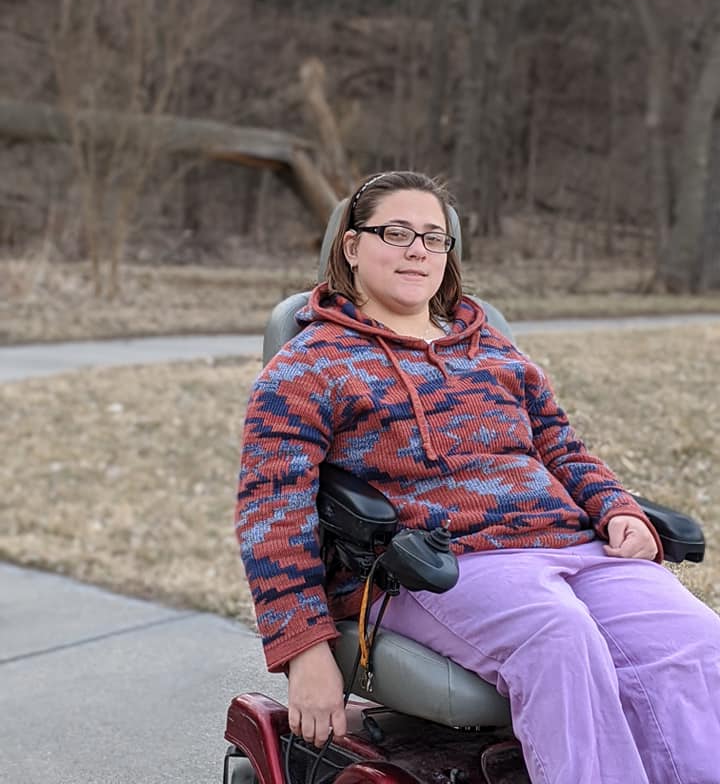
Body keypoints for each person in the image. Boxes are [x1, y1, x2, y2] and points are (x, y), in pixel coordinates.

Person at [236, 170, 720, 784]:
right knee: (559, 639)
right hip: (434, 569)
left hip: (571, 546)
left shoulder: (490, 347)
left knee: (695, 638)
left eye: (433, 238)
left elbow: (560, 445)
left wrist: (616, 507)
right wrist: (304, 654)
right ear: (352, 247)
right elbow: (271, 516)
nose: (417, 249)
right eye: (396, 232)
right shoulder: (308, 366)